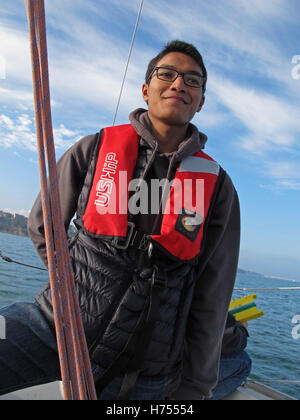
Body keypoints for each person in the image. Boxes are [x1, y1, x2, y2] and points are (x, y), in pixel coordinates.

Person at [0, 40, 240, 400]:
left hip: (145, 364)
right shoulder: (94, 148)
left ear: (201, 101)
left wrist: (196, 387)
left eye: (192, 80)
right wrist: (72, 292)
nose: (179, 84)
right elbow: (43, 225)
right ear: (146, 89)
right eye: (167, 74)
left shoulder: (218, 187)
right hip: (55, 327)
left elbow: (213, 292)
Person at [206, 313, 252, 400]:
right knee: (244, 361)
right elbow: (230, 342)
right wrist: (240, 327)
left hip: (175, 361)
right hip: (184, 369)